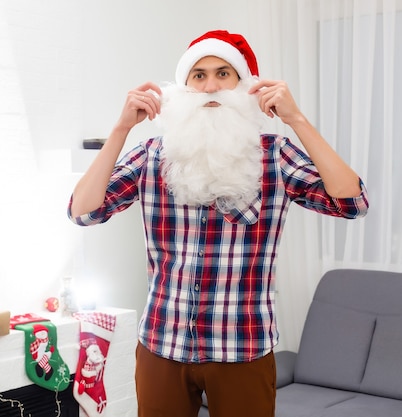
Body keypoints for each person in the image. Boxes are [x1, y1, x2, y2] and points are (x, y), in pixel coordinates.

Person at [67, 30, 369, 417]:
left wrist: (296, 119)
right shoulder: (153, 155)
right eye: (199, 75)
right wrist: (121, 128)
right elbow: (83, 211)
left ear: (245, 86)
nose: (211, 85)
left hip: (243, 348)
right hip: (162, 346)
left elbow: (352, 203)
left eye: (224, 74)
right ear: (184, 89)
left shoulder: (275, 155)